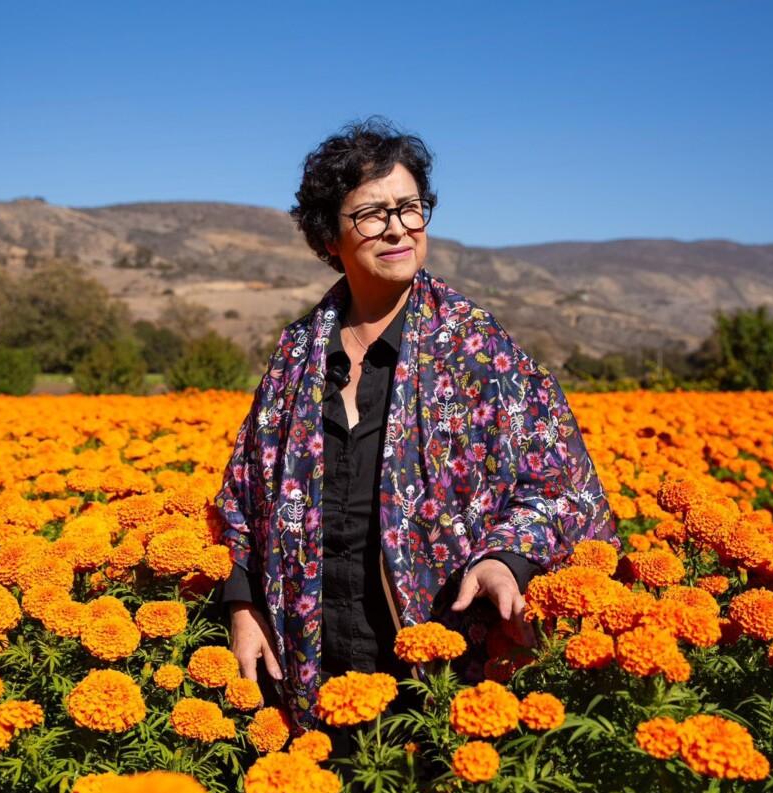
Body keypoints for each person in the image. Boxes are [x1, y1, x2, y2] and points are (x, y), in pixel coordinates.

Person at [212, 117, 618, 745]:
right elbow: (242, 496)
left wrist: (505, 558)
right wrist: (243, 608)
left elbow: (563, 487)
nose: (398, 227)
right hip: (308, 673)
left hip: (437, 680)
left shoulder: (478, 348)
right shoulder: (296, 355)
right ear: (329, 236)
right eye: (372, 214)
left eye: (409, 207)